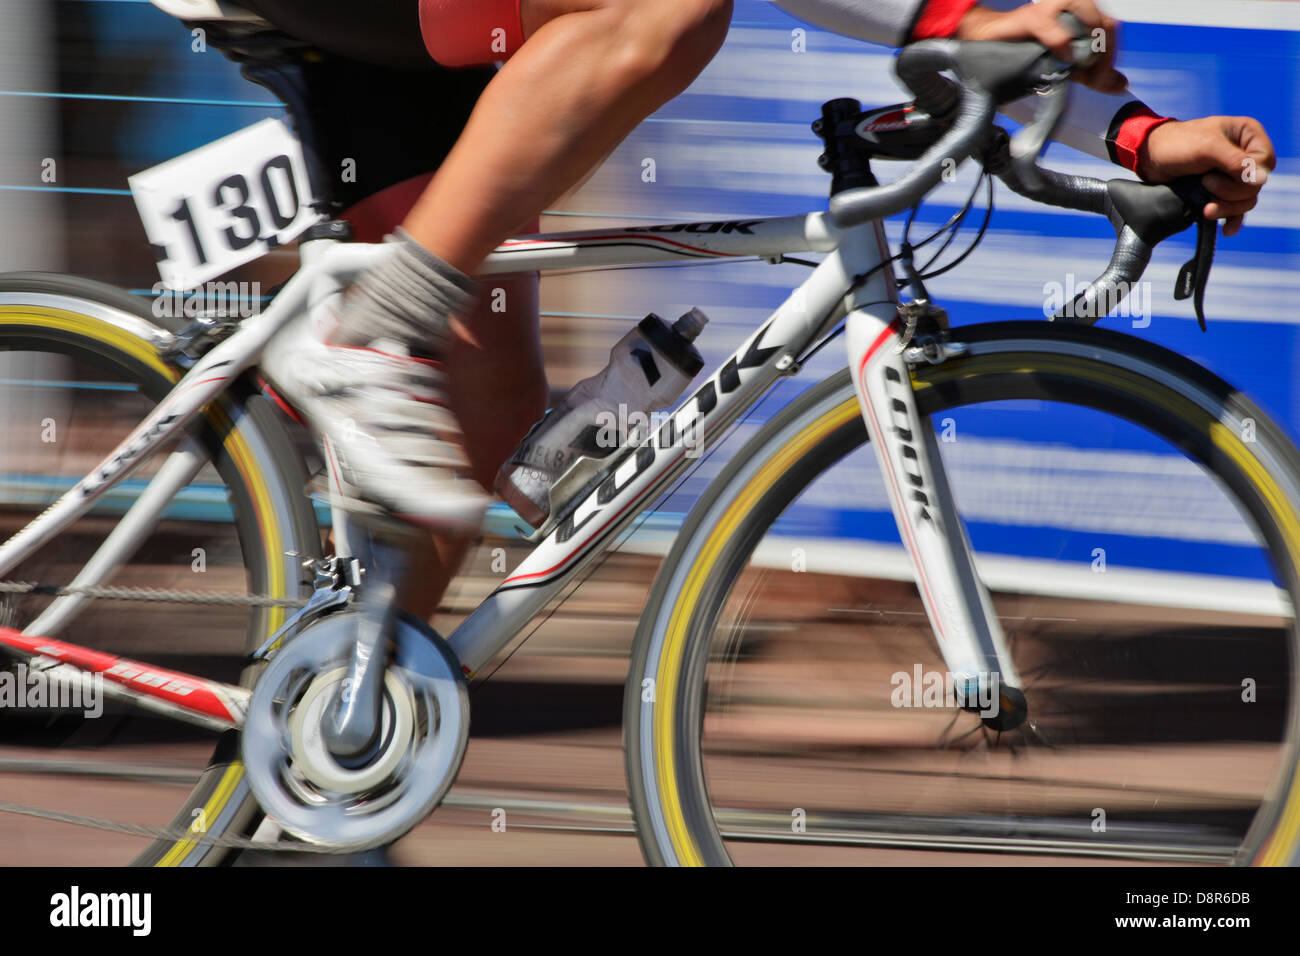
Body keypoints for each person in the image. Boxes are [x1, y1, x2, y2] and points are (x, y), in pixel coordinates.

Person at [242, 0, 1274, 622]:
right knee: (670, 9)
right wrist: (961, 23)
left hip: (421, 53)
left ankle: (319, 772)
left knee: (473, 424)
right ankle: (360, 333)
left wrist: (1136, 136)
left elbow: (934, 25)